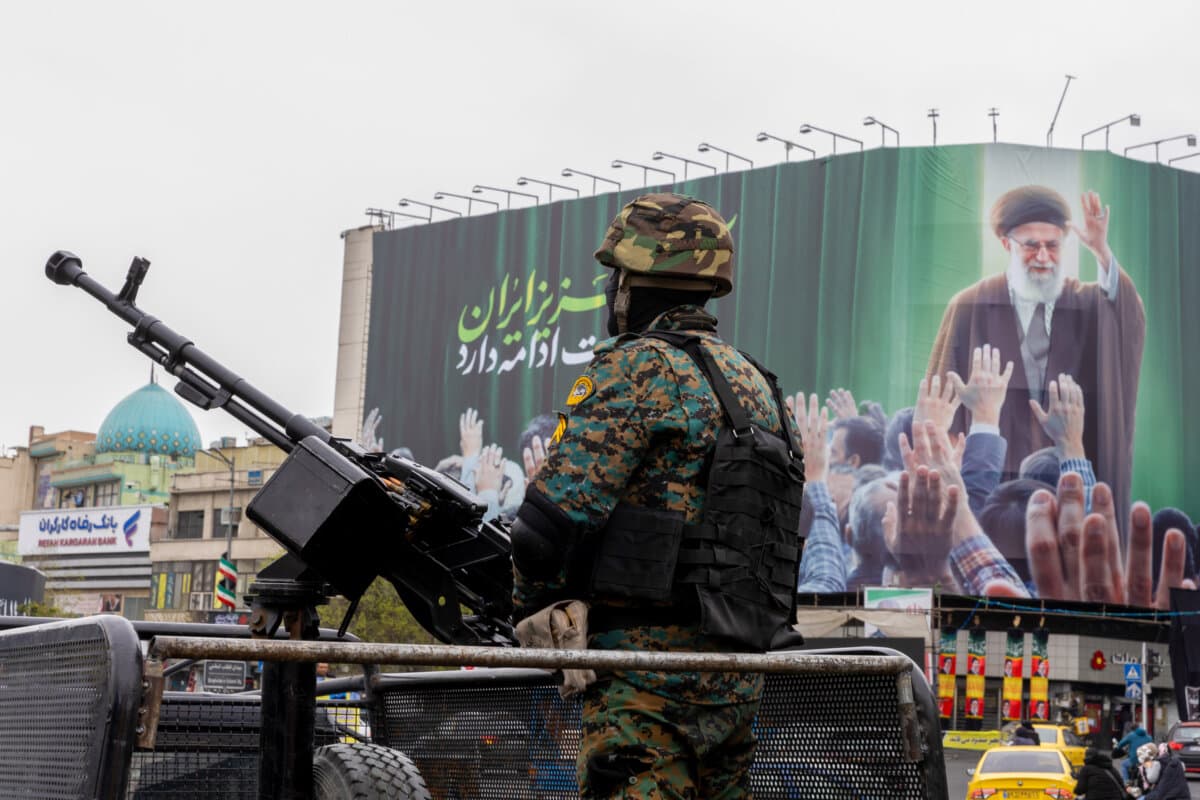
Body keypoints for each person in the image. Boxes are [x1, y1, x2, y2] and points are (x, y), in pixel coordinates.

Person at [510, 193, 804, 799]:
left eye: (614, 277)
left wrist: (530, 609)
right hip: (738, 677)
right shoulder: (760, 385)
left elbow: (546, 530)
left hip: (646, 684)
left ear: (631, 282)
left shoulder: (638, 367)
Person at [927, 186, 1145, 532]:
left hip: (1067, 492)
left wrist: (1102, 252)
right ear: (1006, 244)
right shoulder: (968, 306)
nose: (1043, 256)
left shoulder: (1086, 303)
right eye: (1031, 245)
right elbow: (937, 413)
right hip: (990, 493)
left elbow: (1126, 314)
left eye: (1052, 245)